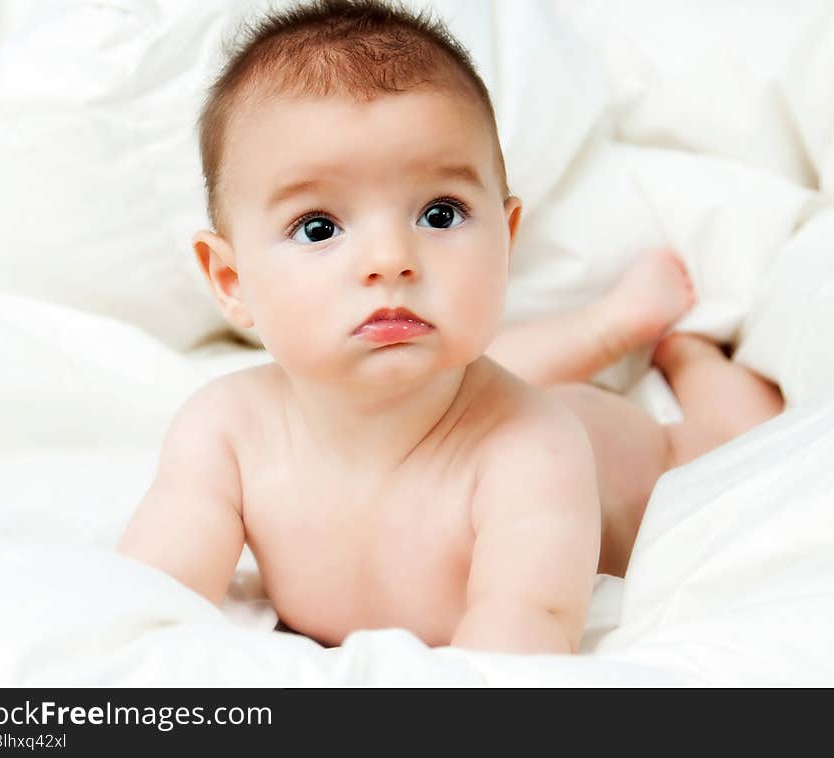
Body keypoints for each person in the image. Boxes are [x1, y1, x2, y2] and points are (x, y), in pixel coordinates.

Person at [117, 0, 783, 654]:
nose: (390, 261)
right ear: (232, 283)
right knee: (478, 363)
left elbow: (523, 635)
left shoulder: (534, 451)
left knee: (723, 444)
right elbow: (143, 604)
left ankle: (688, 353)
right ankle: (608, 326)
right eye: (318, 227)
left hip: (615, 452)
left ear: (506, 235)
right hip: (479, 384)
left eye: (440, 214)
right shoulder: (225, 433)